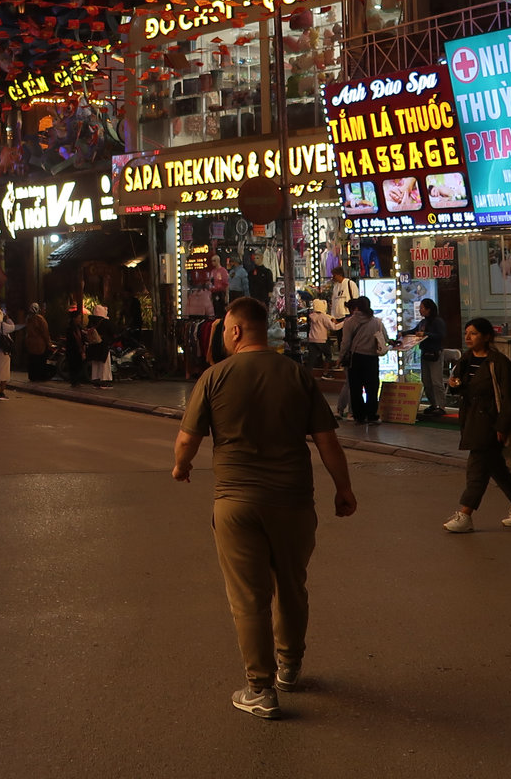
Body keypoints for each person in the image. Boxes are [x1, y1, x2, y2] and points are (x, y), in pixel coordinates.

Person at [172, 296, 357, 719]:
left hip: (236, 502)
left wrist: (181, 467)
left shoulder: (214, 376)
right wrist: (343, 488)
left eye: (224, 329)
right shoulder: (295, 373)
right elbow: (327, 440)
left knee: (249, 597)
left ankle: (260, 688)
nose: (222, 335)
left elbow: (187, 439)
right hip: (293, 500)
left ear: (236, 330)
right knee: (291, 586)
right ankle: (289, 667)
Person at [442, 317, 511, 533]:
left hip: (490, 422)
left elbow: (509, 397)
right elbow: (460, 386)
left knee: (477, 468)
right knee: (495, 467)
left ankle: (465, 515)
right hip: (471, 419)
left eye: (474, 333)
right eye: (467, 333)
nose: (468, 337)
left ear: (486, 337)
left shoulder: (498, 363)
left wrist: (502, 426)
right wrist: (454, 385)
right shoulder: (466, 359)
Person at [338, 297, 388, 424]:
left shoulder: (349, 322)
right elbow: (385, 338)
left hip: (355, 358)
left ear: (357, 307)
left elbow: (345, 343)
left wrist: (341, 357)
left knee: (356, 388)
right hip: (371, 358)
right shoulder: (377, 322)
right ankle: (372, 415)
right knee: (372, 388)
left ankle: (359, 416)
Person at [408, 298, 447, 419]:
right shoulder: (423, 322)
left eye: (422, 308)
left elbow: (441, 335)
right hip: (425, 353)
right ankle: (433, 404)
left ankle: (441, 406)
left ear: (429, 309)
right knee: (426, 381)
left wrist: (426, 334)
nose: (420, 310)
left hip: (435, 353)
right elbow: (414, 331)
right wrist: (403, 334)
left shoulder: (438, 321)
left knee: (436, 381)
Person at [85, 304, 113, 388]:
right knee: (104, 364)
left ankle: (95, 380)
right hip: (103, 345)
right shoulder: (105, 322)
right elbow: (112, 332)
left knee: (95, 363)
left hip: (93, 345)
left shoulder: (91, 321)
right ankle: (104, 381)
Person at [304, 298, 334, 374]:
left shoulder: (312, 316)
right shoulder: (323, 317)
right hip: (322, 340)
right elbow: (333, 327)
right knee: (328, 355)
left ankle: (306, 375)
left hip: (312, 339)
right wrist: (344, 323)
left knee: (311, 359)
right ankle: (325, 373)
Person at [24, 302, 51, 382]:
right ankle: (40, 376)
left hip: (31, 343)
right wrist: (48, 342)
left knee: (32, 360)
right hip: (40, 344)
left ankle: (33, 376)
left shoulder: (28, 319)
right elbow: (45, 332)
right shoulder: (40, 319)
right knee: (40, 361)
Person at [65, 308, 87, 386]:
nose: (79, 320)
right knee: (73, 366)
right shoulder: (70, 328)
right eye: (78, 318)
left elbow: (82, 338)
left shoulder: (79, 328)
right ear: (74, 318)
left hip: (79, 350)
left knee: (79, 366)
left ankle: (77, 381)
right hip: (72, 350)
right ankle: (74, 381)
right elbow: (70, 340)